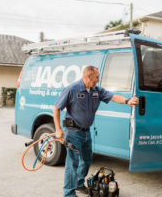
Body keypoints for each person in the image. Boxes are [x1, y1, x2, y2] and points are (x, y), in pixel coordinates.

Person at [53, 65, 139, 197]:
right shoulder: (72, 89)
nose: (98, 80)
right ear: (88, 76)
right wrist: (58, 129)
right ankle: (69, 193)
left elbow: (112, 97)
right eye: (97, 77)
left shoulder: (96, 90)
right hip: (73, 131)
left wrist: (127, 101)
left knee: (87, 160)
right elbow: (56, 108)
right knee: (72, 163)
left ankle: (79, 184)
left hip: (86, 132)